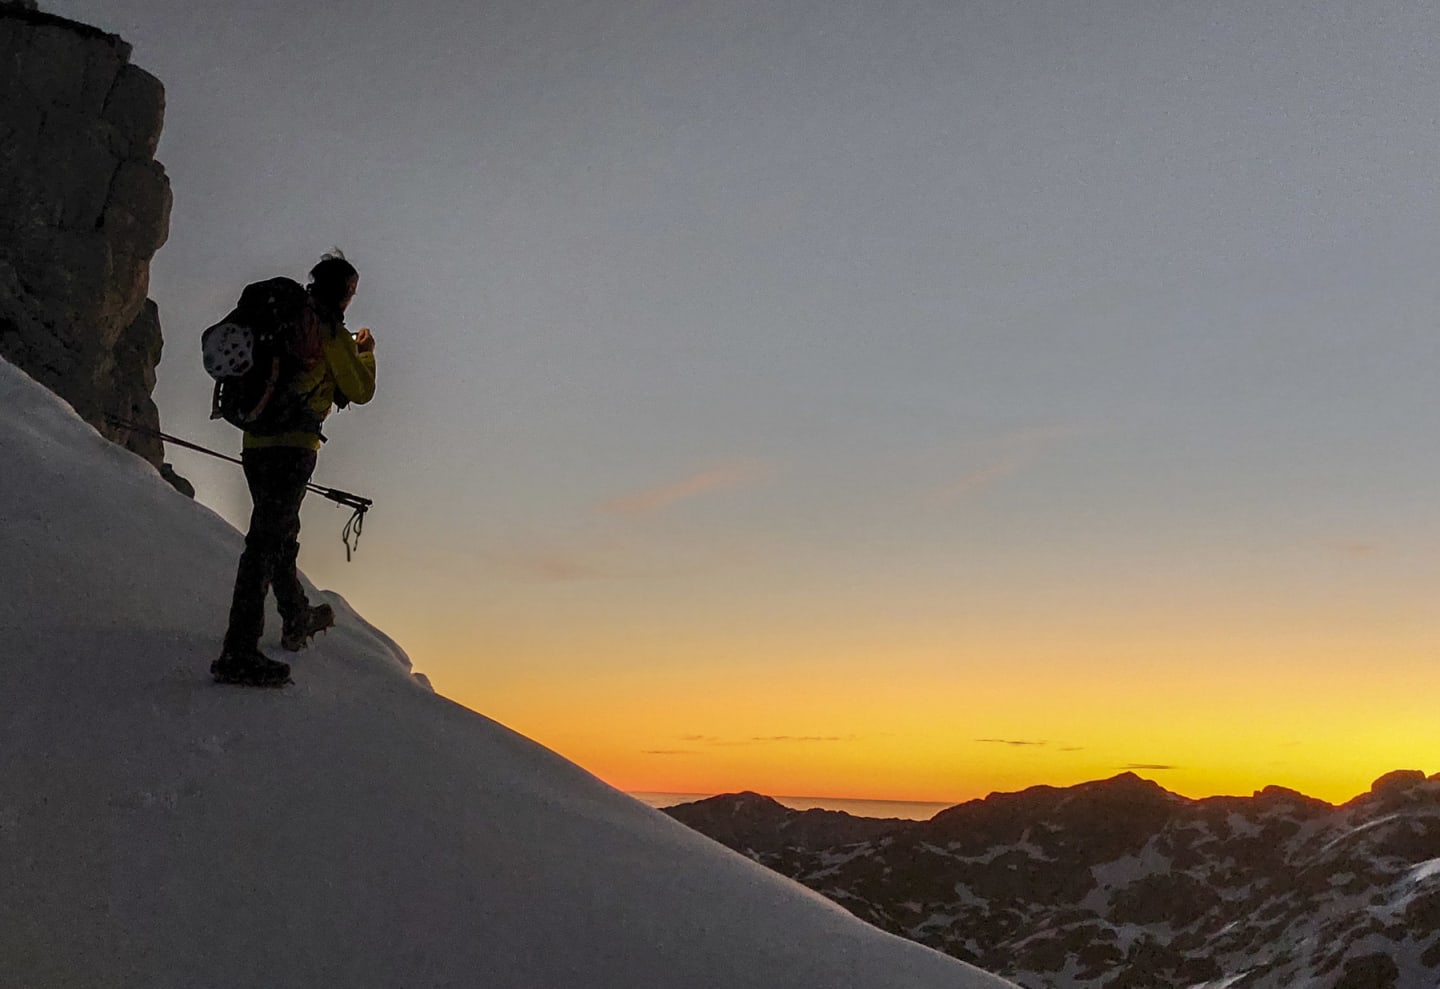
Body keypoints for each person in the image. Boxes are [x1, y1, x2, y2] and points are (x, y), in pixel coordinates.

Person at [212, 252, 377, 687]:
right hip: (295, 446)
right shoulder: (328, 331)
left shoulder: (281, 318)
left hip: (254, 440)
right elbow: (360, 391)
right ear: (343, 293)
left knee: (278, 533)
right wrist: (366, 354)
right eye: (352, 292)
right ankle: (239, 650)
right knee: (266, 541)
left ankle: (295, 617)